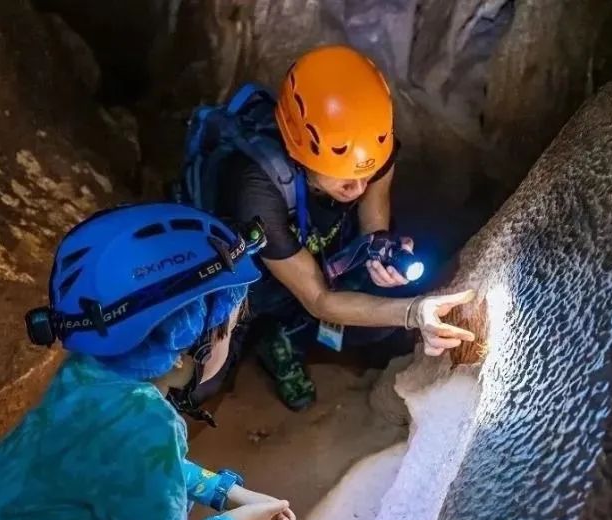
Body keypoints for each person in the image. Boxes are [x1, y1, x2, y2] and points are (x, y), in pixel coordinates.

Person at [0, 203, 297, 520]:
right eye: (229, 329)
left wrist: (224, 491)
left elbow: (132, 465)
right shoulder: (149, 427)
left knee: (170, 509)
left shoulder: (88, 374)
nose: (231, 340)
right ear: (184, 346)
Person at [176, 44, 476, 411]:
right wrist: (413, 313)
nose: (359, 189)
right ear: (299, 152)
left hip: (310, 244)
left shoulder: (372, 150)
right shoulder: (257, 191)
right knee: (203, 380)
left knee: (375, 321)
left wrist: (377, 252)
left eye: (368, 175)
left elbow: (373, 224)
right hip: (252, 272)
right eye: (346, 181)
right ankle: (257, 331)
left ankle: (285, 338)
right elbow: (318, 299)